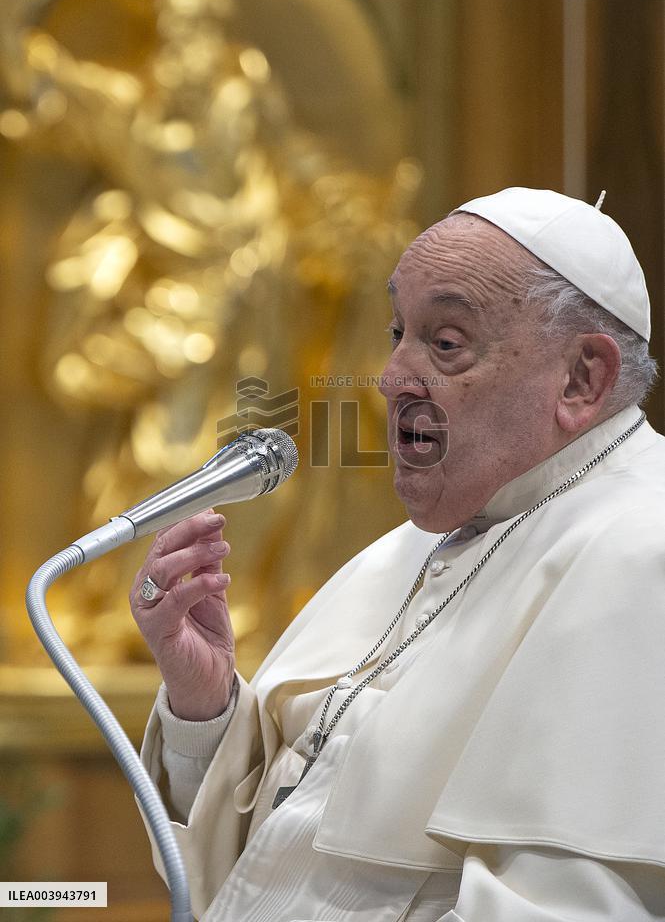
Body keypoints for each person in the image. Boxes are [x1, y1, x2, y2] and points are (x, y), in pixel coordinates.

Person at [131, 187, 665, 921]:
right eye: (397, 334)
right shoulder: (418, 546)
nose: (389, 378)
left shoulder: (643, 555)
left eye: (445, 344)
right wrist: (204, 706)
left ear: (580, 378)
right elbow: (248, 876)